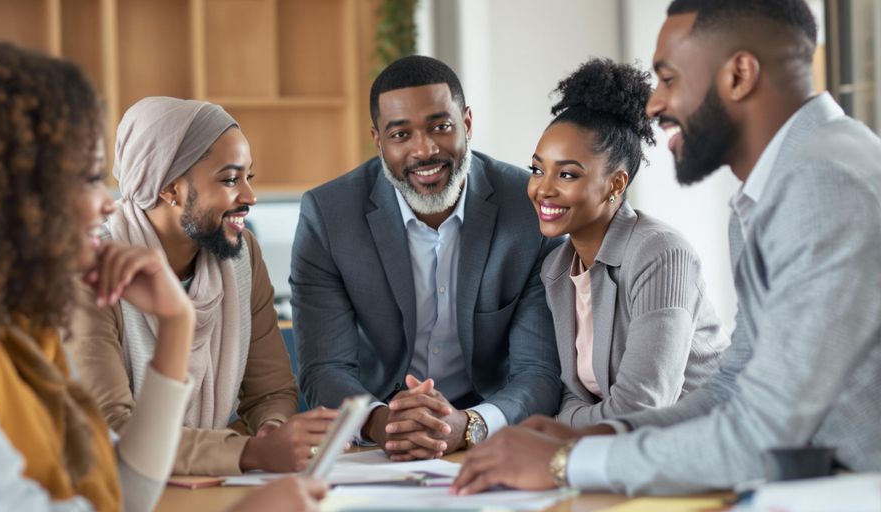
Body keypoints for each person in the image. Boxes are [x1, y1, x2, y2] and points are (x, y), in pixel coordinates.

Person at [0, 43, 325, 511]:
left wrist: (175, 324)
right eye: (84, 179)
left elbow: (123, 491)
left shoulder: (17, 323)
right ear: (0, 190)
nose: (107, 202)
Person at [453, 0, 881, 496]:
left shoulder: (823, 180)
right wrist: (599, 433)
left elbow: (765, 429)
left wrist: (569, 461)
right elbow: (732, 385)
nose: (655, 105)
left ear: (739, 74)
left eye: (670, 79)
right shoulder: (771, 192)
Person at [291, 55, 563, 461]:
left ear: (467, 124)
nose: (425, 150)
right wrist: (385, 422)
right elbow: (324, 368)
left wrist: (470, 425)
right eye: (401, 135)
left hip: (490, 430)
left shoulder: (528, 206)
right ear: (378, 140)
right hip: (376, 435)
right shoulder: (329, 216)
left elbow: (538, 371)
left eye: (441, 126)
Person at [65, 96, 337, 477]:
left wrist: (272, 432)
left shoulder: (241, 257)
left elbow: (270, 392)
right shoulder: (93, 274)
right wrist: (251, 454)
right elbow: (112, 428)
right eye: (229, 179)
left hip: (210, 483)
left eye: (248, 177)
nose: (249, 197)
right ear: (169, 188)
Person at [529, 58, 727, 428]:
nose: (544, 189)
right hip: (622, 452)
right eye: (537, 169)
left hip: (707, 445)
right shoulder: (555, 270)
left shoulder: (661, 254)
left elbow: (644, 407)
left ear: (616, 185)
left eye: (567, 174)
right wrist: (573, 422)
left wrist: (564, 426)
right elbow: (571, 392)